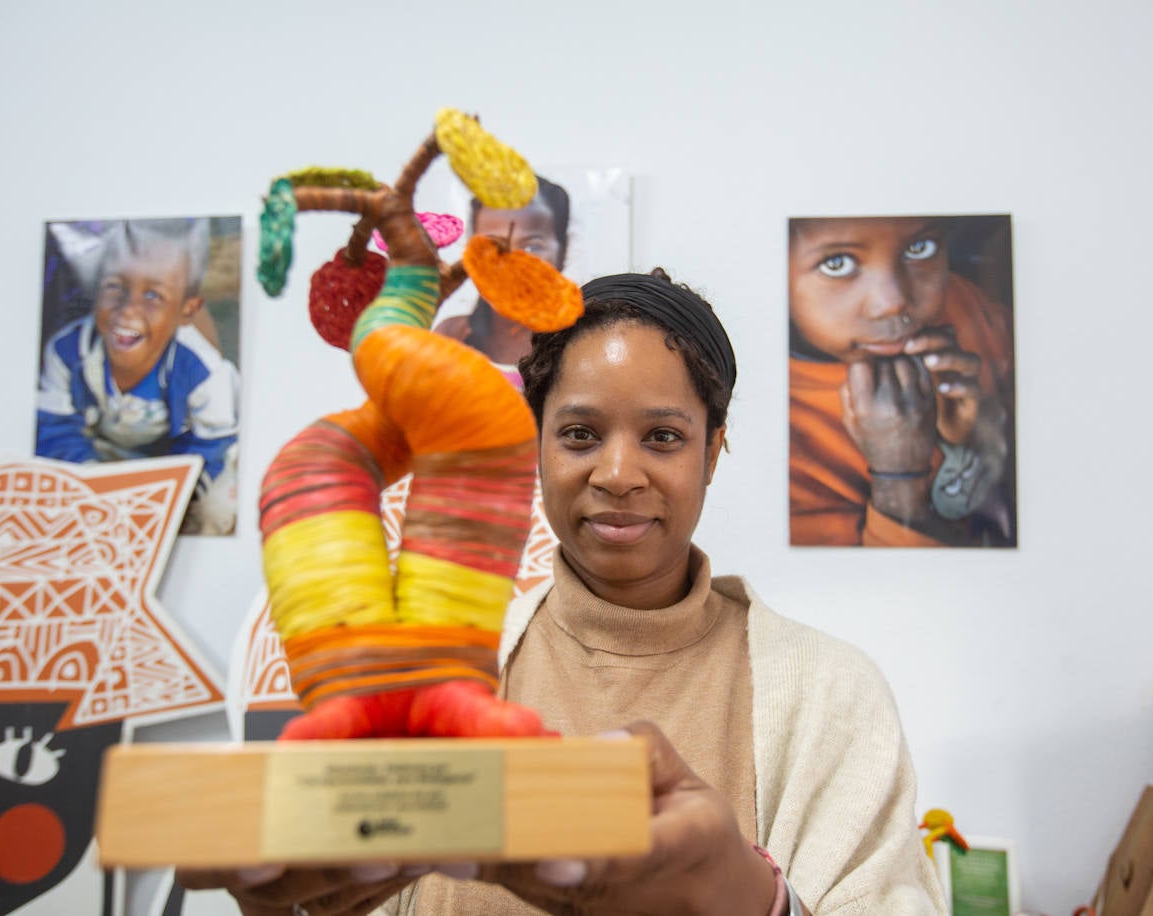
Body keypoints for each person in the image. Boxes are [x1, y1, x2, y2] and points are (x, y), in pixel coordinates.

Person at [180, 270, 943, 915]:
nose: (616, 475)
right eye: (579, 434)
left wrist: (752, 900)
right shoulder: (439, 670)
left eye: (664, 437)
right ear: (536, 441)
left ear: (714, 449)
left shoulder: (832, 693)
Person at [788, 216, 1014, 547]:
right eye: (836, 263)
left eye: (919, 248)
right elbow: (868, 589)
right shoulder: (780, 432)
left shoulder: (962, 305)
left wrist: (986, 430)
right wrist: (898, 479)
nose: (892, 303)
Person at [35, 218, 240, 534]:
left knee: (220, 507)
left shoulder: (204, 371)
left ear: (187, 310)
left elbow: (210, 445)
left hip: (177, 466)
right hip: (103, 457)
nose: (127, 310)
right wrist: (95, 484)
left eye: (153, 296)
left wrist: (157, 497)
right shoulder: (67, 351)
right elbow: (55, 430)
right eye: (114, 287)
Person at [433, 175, 570, 386]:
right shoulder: (450, 336)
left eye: (531, 247)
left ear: (563, 251)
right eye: (493, 247)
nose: (511, 262)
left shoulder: (578, 342)